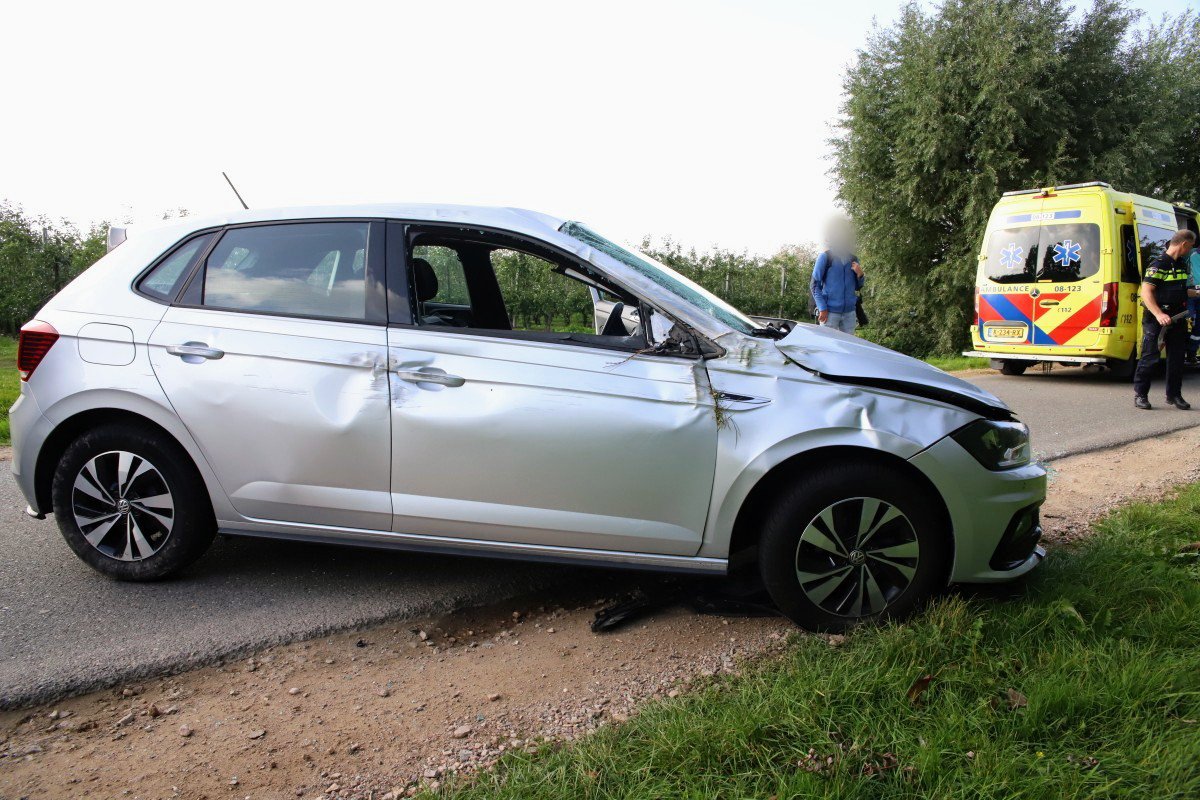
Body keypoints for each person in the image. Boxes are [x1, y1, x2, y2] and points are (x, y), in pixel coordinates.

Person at [1134, 229, 1198, 410]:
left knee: (1176, 360)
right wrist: (1159, 314)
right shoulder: (1159, 263)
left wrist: (1196, 293)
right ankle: (1141, 395)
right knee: (1150, 357)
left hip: (1177, 319)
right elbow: (1146, 291)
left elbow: (1180, 290)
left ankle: (1174, 395)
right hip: (1157, 320)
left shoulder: (1181, 264)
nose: (1190, 250)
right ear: (1184, 244)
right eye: (1190, 247)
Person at [811, 218, 865, 335]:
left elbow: (858, 287)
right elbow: (814, 286)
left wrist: (860, 274)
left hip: (849, 313)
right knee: (828, 344)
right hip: (829, 313)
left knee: (847, 345)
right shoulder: (825, 257)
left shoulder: (853, 258)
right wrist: (822, 308)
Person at [1188, 238, 1200, 365]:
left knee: (1198, 327)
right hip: (1190, 293)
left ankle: (1191, 353)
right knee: (1188, 321)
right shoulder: (1190, 253)